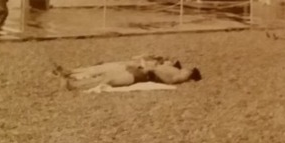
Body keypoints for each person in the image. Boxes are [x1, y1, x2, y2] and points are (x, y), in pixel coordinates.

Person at [56, 54, 202, 91]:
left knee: (108, 80)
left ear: (190, 76)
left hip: (141, 75)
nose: (188, 69)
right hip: (138, 72)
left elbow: (171, 81)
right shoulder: (175, 68)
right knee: (107, 76)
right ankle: (73, 81)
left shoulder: (181, 75)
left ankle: (73, 85)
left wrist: (153, 69)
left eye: (190, 71)